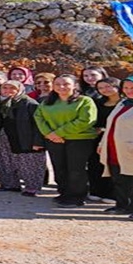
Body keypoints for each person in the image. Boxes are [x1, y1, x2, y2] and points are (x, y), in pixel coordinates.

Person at [34, 74, 98, 208]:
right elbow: (38, 117)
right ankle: (64, 192)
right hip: (53, 140)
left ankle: (76, 197)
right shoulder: (47, 102)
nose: (61, 87)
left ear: (75, 85)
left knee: (76, 169)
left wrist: (58, 133)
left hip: (79, 140)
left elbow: (85, 120)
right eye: (58, 84)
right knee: (60, 167)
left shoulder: (85, 101)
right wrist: (49, 134)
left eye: (66, 84)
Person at [0, 80, 47, 197]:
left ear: (20, 89)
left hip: (25, 138)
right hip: (5, 138)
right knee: (6, 161)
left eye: (12, 88)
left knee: (29, 163)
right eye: (5, 88)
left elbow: (38, 124)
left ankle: (31, 187)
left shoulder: (29, 103)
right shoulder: (0, 103)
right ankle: (10, 185)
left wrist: (38, 142)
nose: (8, 91)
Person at [98, 76, 133, 220]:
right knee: (120, 178)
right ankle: (123, 205)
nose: (130, 91)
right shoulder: (123, 103)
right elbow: (111, 125)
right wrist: (102, 144)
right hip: (116, 148)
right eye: (126, 88)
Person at [89, 78, 121, 203]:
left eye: (108, 86)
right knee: (96, 164)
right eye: (101, 88)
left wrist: (105, 130)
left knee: (114, 166)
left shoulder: (125, 103)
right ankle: (97, 191)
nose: (104, 90)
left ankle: (113, 194)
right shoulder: (97, 103)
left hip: (117, 139)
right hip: (97, 139)